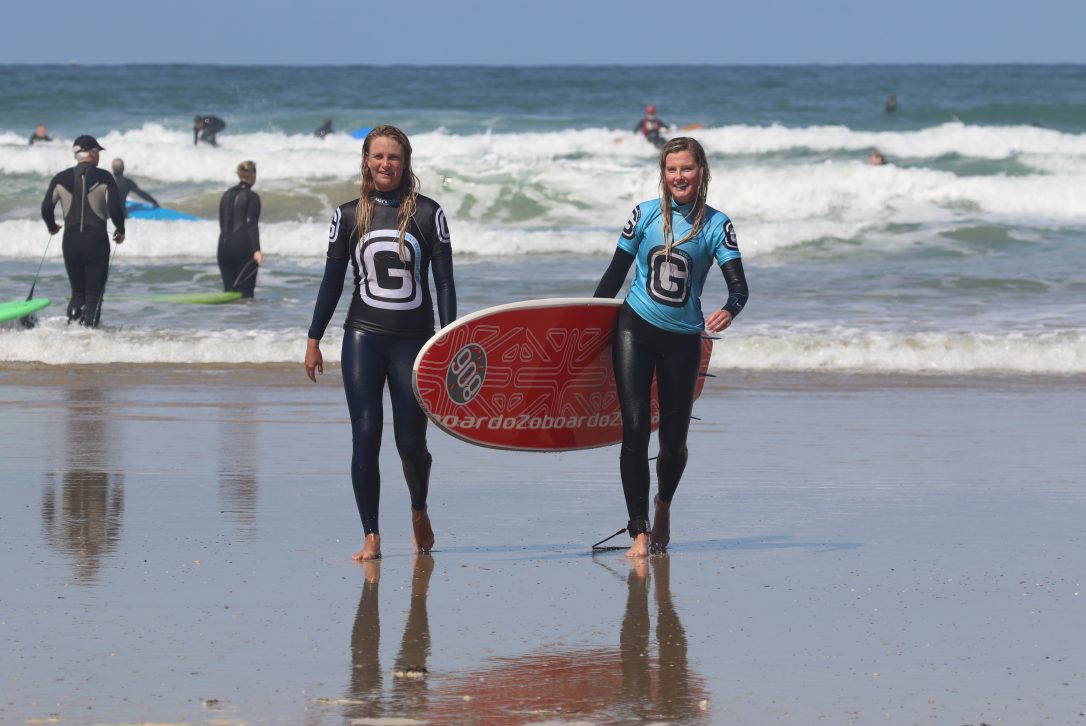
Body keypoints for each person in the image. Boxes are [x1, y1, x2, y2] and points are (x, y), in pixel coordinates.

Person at [304, 124, 456, 561]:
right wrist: (314, 337)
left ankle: (419, 508)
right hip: (363, 337)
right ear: (366, 162)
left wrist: (449, 339)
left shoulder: (429, 214)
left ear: (405, 162)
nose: (385, 164)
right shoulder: (349, 215)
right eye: (377, 156)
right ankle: (371, 535)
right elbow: (332, 281)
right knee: (365, 434)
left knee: (411, 443)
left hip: (415, 342)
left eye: (393, 157)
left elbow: (444, 284)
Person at [593, 136, 749, 558]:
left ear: (702, 172)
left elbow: (740, 287)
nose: (678, 176)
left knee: (674, 442)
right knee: (636, 428)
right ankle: (639, 530)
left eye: (687, 168)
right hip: (635, 328)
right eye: (671, 169)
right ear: (663, 174)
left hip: (683, 340)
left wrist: (730, 310)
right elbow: (614, 276)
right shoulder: (643, 215)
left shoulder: (717, 225)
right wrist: (586, 326)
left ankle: (663, 505)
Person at [40, 134, 125, 327]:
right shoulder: (105, 177)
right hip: (96, 241)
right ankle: (89, 339)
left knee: (77, 294)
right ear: (93, 152)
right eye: (98, 152)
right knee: (94, 295)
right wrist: (120, 230)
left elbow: (46, 208)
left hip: (70, 242)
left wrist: (52, 227)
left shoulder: (60, 178)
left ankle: (73, 333)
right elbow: (115, 209)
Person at [217, 160, 264, 298]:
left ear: (239, 175)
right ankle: (246, 320)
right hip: (243, 249)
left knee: (229, 294)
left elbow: (222, 223)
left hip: (223, 248)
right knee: (246, 295)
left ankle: (230, 319)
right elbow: (251, 224)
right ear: (253, 175)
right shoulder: (252, 197)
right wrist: (257, 250)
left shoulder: (225, 194)